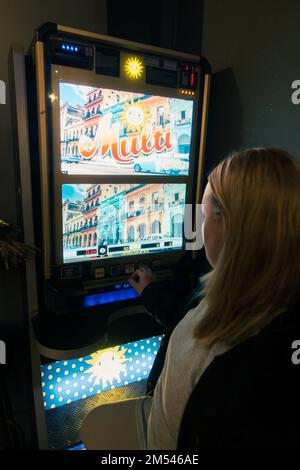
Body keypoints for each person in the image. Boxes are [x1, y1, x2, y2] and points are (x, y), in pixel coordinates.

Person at [80, 148, 300, 450]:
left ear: (228, 228)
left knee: (91, 424)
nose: (195, 223)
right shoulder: (259, 291)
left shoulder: (219, 351)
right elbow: (189, 316)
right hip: (162, 412)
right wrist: (151, 291)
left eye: (204, 212)